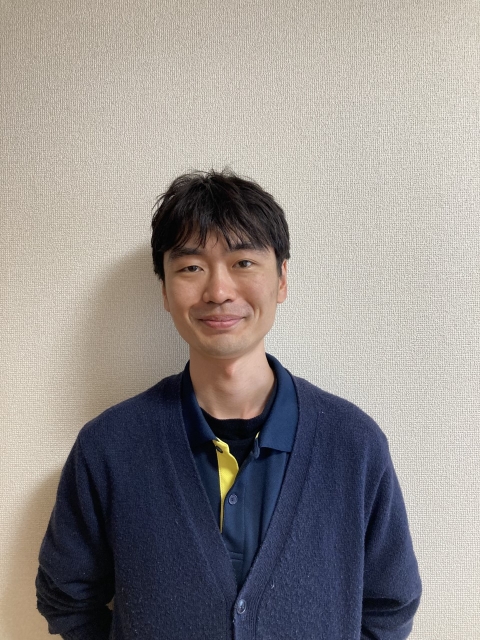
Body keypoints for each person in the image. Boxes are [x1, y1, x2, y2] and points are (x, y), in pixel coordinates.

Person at [36, 170, 422, 640]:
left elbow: (390, 604)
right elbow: (65, 597)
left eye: (243, 262)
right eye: (191, 267)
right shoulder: (108, 448)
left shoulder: (353, 445)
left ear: (281, 279)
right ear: (164, 290)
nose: (218, 291)